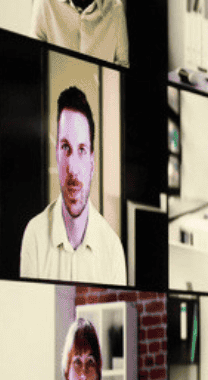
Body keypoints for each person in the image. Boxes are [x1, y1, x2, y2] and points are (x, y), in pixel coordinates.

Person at [20, 86, 128, 285]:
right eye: (65, 148)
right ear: (57, 155)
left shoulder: (112, 248)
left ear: (92, 162)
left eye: (81, 149)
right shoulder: (34, 235)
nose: (73, 168)